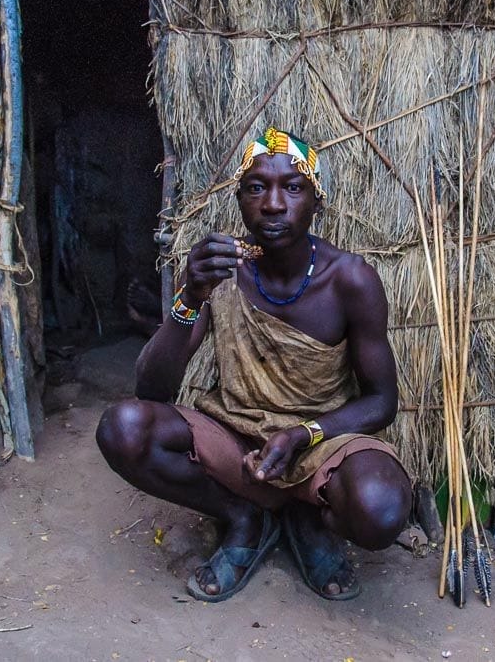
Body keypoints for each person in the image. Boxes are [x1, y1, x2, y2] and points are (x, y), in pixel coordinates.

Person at [96, 127, 412, 603]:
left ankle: (308, 517)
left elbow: (382, 402)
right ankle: (244, 517)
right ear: (240, 199)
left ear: (316, 201)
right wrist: (189, 297)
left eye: (293, 187)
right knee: (123, 428)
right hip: (236, 437)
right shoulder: (220, 270)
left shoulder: (351, 280)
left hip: (321, 441)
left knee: (381, 509)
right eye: (257, 187)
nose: (274, 203)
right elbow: (152, 389)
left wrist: (303, 434)